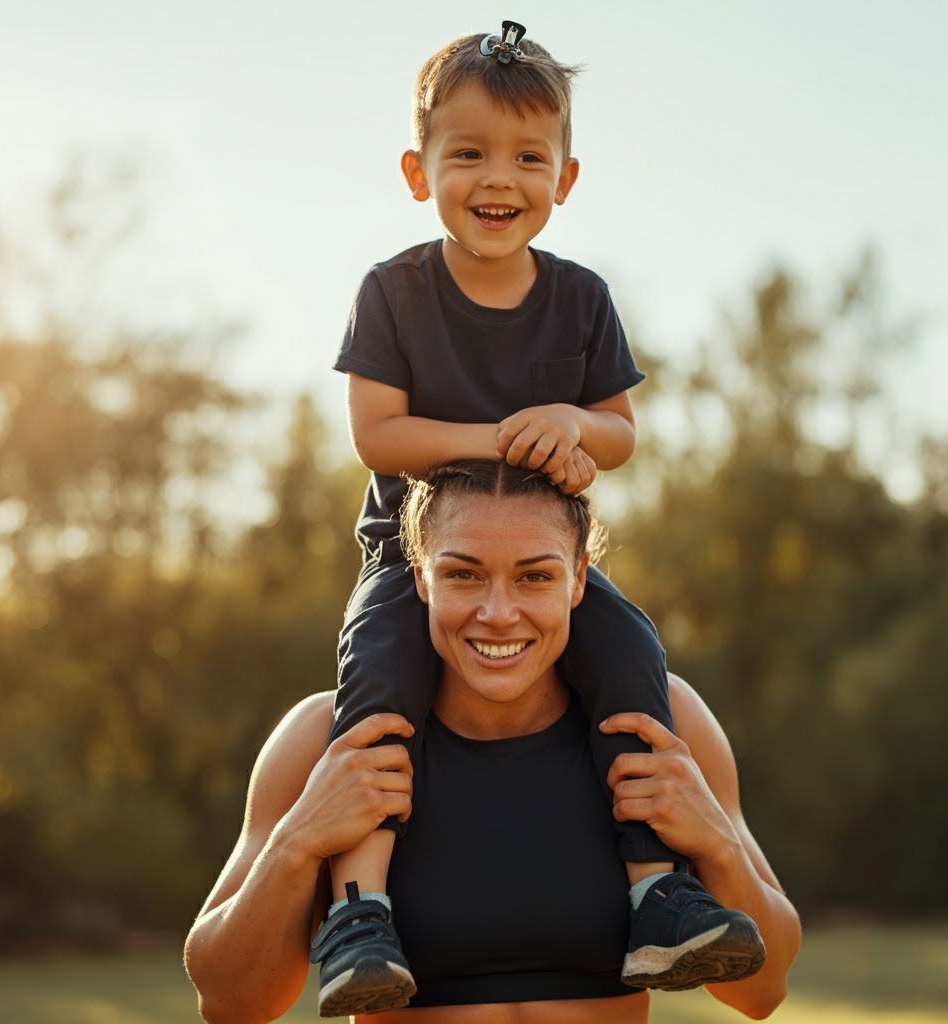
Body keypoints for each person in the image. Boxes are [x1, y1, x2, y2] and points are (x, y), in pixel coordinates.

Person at [322, 19, 762, 1015]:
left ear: (564, 179)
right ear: (416, 168)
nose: (498, 178)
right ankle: (361, 909)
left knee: (629, 654)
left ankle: (657, 893)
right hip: (413, 557)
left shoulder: (580, 298)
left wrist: (572, 423)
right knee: (377, 679)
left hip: (539, 559)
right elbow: (378, 438)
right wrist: (495, 436)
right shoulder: (392, 292)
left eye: (528, 157)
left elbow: (618, 435)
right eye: (467, 152)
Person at [183, 461, 801, 1024]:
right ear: (420, 577)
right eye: (463, 574)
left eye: (534, 576)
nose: (498, 613)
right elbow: (231, 1003)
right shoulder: (326, 740)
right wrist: (298, 842)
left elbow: (761, 991)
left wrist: (716, 843)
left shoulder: (667, 725)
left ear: (580, 579)